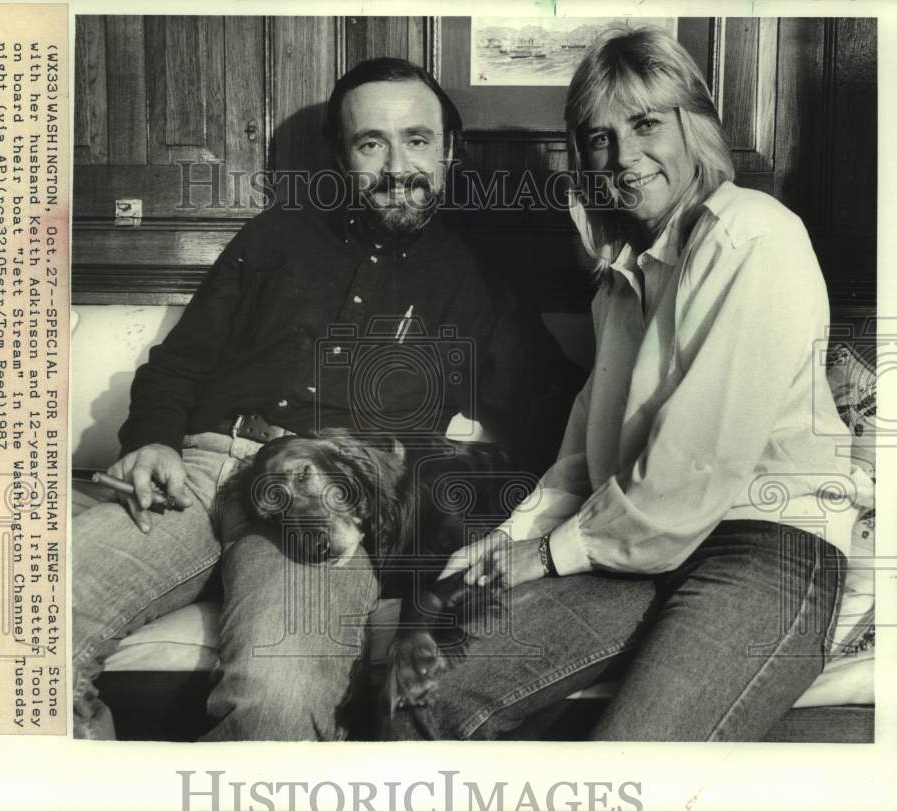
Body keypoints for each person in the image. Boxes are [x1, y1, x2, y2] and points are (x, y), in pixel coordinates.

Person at [386, 28, 872, 741]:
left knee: (634, 757)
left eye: (646, 124)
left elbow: (694, 466)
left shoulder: (753, 234)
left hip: (762, 545)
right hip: (632, 547)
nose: (622, 157)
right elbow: (583, 459)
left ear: (695, 125)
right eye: (599, 138)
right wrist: (502, 547)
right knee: (422, 699)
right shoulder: (620, 279)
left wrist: (547, 555)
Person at [71, 57, 572, 741]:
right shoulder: (277, 235)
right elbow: (178, 364)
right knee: (22, 630)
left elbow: (554, 418)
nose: (397, 166)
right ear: (343, 157)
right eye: (371, 144)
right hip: (196, 475)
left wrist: (424, 501)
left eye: (417, 140)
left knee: (277, 702)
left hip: (326, 509)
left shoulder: (477, 278)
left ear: (448, 151)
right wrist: (152, 439)